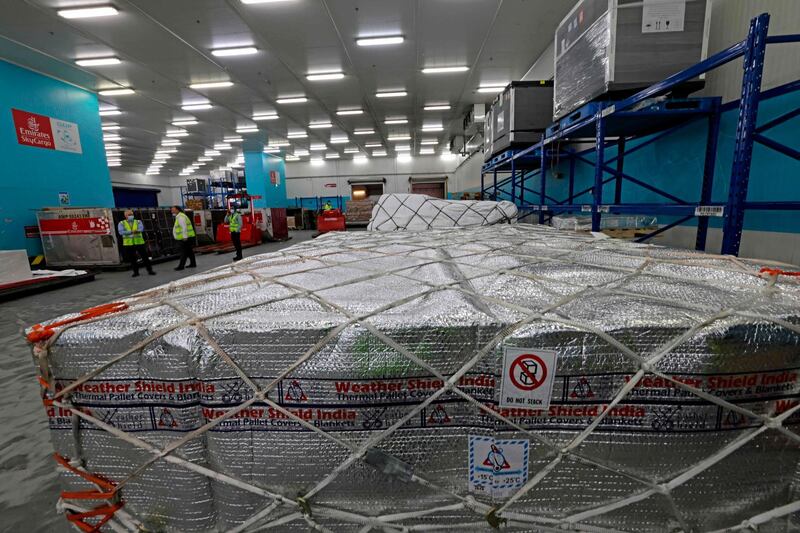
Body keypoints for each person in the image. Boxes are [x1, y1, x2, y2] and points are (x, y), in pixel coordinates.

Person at [117, 210, 155, 277]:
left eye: (131, 214)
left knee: (145, 258)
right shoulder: (121, 223)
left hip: (139, 243)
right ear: (125, 216)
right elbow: (121, 232)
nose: (131, 216)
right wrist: (132, 231)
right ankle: (136, 272)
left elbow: (141, 229)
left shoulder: (138, 221)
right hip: (129, 244)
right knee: (133, 259)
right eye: (129, 215)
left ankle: (150, 270)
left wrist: (132, 231)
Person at [171, 205, 196, 271]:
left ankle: (181, 266)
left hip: (184, 238)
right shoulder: (179, 216)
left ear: (177, 210)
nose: (172, 210)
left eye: (173, 209)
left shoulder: (181, 217)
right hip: (187, 237)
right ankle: (193, 263)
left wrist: (185, 237)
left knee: (183, 252)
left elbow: (184, 227)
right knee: (189, 251)